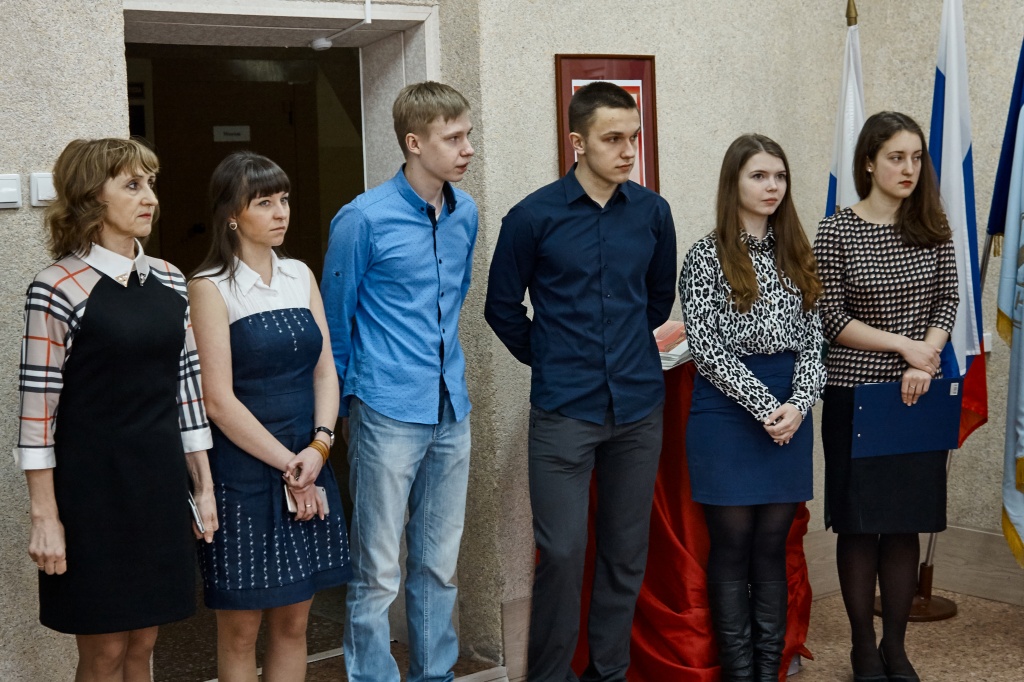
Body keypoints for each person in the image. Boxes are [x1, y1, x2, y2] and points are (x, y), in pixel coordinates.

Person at [485, 81, 677, 682]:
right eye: (613, 139)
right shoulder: (532, 217)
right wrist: (552, 358)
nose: (628, 151)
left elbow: (656, 300)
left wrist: (623, 354)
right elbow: (500, 308)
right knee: (564, 552)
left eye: (634, 138)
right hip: (564, 411)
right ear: (577, 142)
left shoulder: (653, 213)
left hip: (638, 408)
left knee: (625, 553)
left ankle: (608, 674)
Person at [14, 137, 218, 681]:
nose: (150, 197)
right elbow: (37, 415)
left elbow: (187, 392)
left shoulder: (171, 280)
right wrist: (45, 518)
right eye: (132, 185)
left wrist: (203, 487)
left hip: (158, 487)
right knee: (104, 651)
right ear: (91, 198)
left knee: (144, 643)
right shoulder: (56, 287)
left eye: (150, 183)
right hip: (92, 497)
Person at [321, 81, 477, 682]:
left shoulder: (465, 214)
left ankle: (435, 674)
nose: (467, 149)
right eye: (453, 138)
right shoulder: (362, 219)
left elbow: (454, 300)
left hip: (450, 408)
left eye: (467, 135)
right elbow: (335, 324)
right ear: (414, 143)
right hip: (385, 410)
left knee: (439, 564)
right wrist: (337, 415)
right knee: (378, 569)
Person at [189, 151, 352, 682]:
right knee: (241, 628)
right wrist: (290, 463)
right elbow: (217, 400)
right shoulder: (209, 287)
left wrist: (320, 447)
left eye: (283, 199)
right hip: (244, 470)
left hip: (309, 457)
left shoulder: (299, 274)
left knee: (295, 622)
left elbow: (325, 372)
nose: (281, 212)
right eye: (264, 202)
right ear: (232, 215)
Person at [813, 111, 958, 682]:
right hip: (855, 395)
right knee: (859, 525)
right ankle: (862, 648)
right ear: (869, 162)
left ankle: (895, 649)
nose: (908, 168)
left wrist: (927, 356)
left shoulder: (932, 225)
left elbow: (947, 300)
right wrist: (907, 348)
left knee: (903, 525)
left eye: (916, 157)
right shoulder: (836, 230)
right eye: (896, 157)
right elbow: (830, 318)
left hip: (917, 398)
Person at [678, 134, 825, 681]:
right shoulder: (705, 255)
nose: (772, 186)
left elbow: (814, 341)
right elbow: (707, 348)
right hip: (726, 412)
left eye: (779, 176)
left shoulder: (797, 252)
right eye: (759, 176)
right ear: (733, 183)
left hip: (791, 408)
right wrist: (768, 408)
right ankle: (740, 674)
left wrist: (798, 404)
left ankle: (769, 671)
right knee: (732, 544)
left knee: (771, 544)